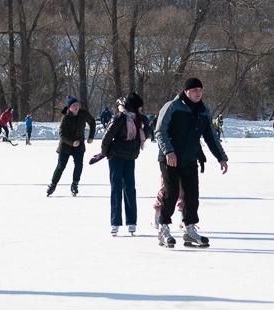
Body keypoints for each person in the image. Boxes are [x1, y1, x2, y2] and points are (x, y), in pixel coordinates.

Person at [155, 77, 228, 248]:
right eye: (194, 90)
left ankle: (189, 230)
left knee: (192, 196)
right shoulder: (172, 106)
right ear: (186, 92)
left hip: (189, 159)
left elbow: (211, 136)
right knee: (171, 194)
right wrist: (169, 151)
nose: (198, 93)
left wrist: (221, 157)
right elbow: (160, 131)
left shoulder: (203, 111)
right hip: (169, 159)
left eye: (200, 90)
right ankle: (163, 229)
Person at [97, 93, 146, 236]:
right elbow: (107, 135)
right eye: (140, 107)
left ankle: (132, 222)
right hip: (116, 157)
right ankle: (115, 222)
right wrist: (104, 153)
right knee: (117, 188)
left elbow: (144, 134)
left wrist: (146, 127)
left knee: (130, 188)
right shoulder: (120, 117)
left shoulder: (138, 119)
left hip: (130, 157)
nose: (141, 110)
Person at [47, 96, 96, 197]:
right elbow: (61, 134)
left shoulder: (83, 113)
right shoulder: (65, 118)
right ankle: (53, 185)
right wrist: (71, 143)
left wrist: (91, 136)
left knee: (79, 165)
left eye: (77, 105)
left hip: (79, 145)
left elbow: (92, 122)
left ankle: (75, 184)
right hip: (65, 146)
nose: (76, 107)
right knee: (61, 166)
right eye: (73, 105)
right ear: (69, 107)